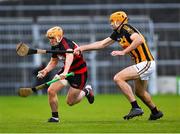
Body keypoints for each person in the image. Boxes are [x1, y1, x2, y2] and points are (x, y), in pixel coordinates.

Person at [74, 11, 163, 120]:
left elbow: (138, 39)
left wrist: (123, 52)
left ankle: (135, 107)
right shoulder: (117, 33)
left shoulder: (126, 28)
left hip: (146, 62)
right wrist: (82, 48)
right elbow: (101, 44)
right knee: (140, 92)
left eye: (113, 21)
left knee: (118, 78)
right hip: (142, 64)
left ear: (119, 21)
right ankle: (155, 112)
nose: (111, 24)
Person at [37, 26, 94, 123]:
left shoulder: (66, 45)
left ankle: (86, 91)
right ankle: (55, 118)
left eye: (52, 38)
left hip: (79, 74)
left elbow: (69, 57)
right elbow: (54, 61)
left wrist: (65, 72)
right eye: (49, 38)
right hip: (66, 71)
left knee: (70, 102)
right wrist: (45, 70)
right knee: (51, 90)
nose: (50, 40)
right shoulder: (55, 45)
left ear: (58, 37)